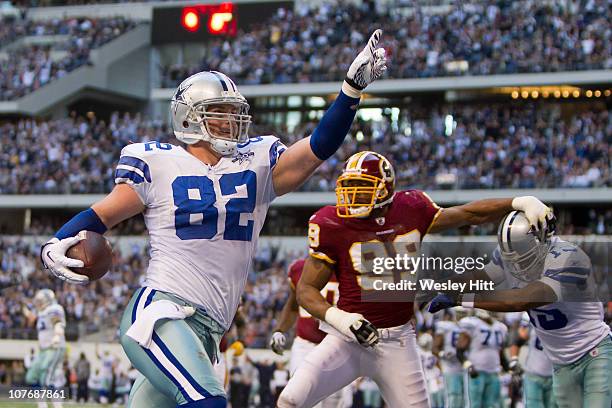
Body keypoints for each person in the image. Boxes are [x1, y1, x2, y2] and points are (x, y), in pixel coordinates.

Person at [41, 30, 387, 408]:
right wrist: (55, 243)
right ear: (189, 117)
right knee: (209, 402)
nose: (230, 119)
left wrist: (350, 91)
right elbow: (102, 215)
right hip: (163, 312)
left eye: (232, 111)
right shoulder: (156, 162)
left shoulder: (257, 160)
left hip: (208, 330)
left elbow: (318, 146)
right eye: (218, 111)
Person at [278, 151, 553, 407]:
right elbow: (306, 290)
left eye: (361, 191)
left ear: (384, 189)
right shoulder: (331, 224)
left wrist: (518, 201)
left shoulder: (412, 208)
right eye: (349, 190)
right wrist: (340, 318)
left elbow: (469, 213)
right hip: (347, 338)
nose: (352, 199)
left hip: (398, 340)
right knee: (290, 399)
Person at [428, 210, 612, 408]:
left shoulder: (569, 258)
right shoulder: (512, 255)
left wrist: (462, 298)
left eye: (523, 255)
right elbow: (481, 276)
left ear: (543, 240)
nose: (516, 264)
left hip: (593, 351)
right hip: (561, 363)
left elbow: (522, 300)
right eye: (511, 256)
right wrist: (441, 285)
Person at [269, 257, 344, 407]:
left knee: (334, 401)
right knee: (298, 398)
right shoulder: (298, 268)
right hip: (305, 345)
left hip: (337, 343)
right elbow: (292, 306)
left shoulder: (347, 267)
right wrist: (279, 330)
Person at [456, 310, 508, 408]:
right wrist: (468, 365)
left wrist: (509, 369)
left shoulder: (500, 327)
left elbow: (501, 353)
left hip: (494, 372)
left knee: (492, 405)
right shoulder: (473, 324)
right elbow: (459, 351)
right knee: (474, 405)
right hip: (476, 372)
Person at [23, 289, 66, 388]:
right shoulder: (42, 312)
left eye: (40, 300)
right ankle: (42, 401)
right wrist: (24, 308)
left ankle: (55, 401)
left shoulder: (54, 308)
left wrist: (57, 335)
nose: (38, 303)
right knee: (31, 377)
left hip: (53, 347)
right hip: (43, 349)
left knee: (46, 375)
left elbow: (58, 323)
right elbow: (32, 318)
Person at [511, 313, 555, 408]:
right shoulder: (532, 320)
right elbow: (519, 339)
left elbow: (518, 339)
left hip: (554, 375)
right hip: (534, 373)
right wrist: (514, 360)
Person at [433, 308, 468, 408]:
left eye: (463, 313)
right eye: (459, 312)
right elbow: (435, 348)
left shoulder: (470, 327)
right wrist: (442, 354)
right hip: (450, 367)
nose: (461, 315)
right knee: (453, 397)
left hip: (465, 367)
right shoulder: (446, 326)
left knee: (465, 400)